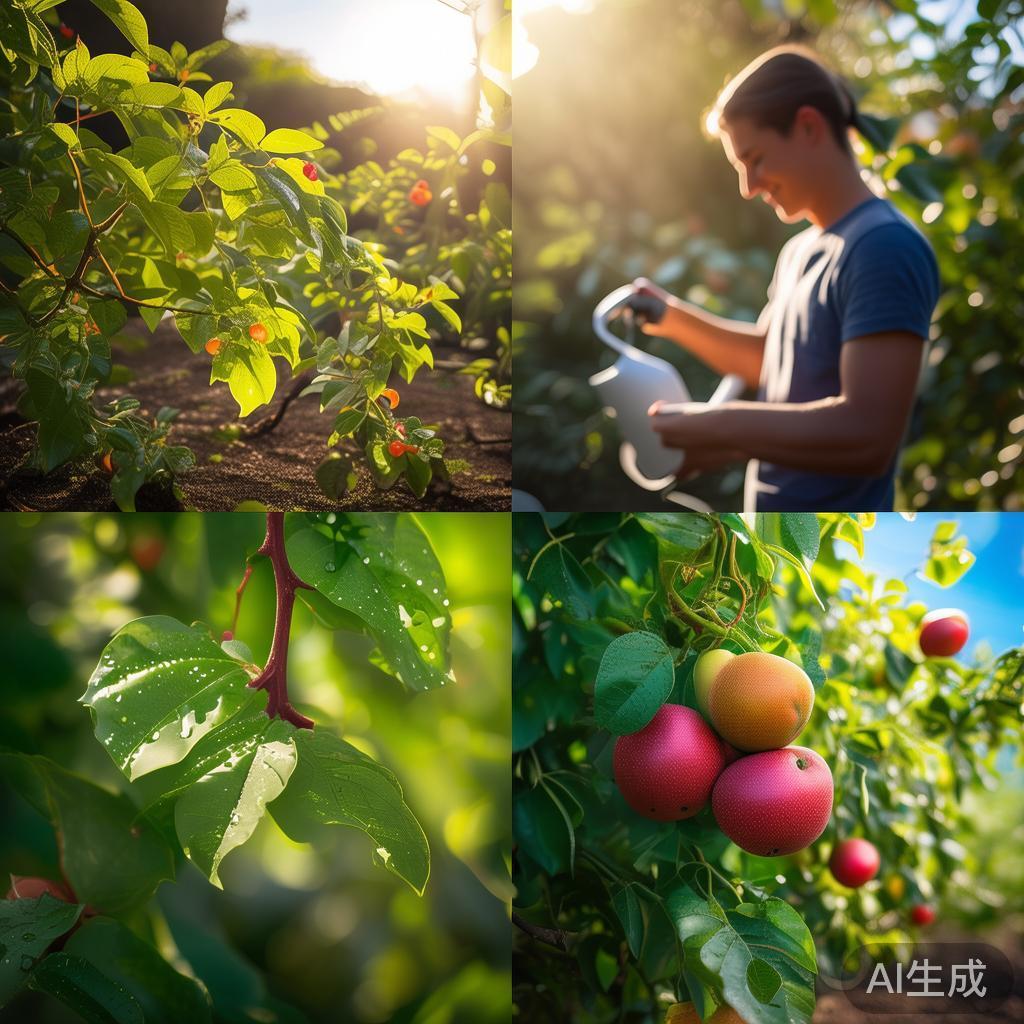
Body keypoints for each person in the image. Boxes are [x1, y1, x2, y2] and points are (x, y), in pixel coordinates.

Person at [626, 46, 940, 512]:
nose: (748, 187)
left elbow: (867, 436)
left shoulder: (883, 247)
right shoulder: (799, 252)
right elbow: (769, 363)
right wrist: (670, 317)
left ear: (809, 127)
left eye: (755, 159)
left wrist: (719, 427)